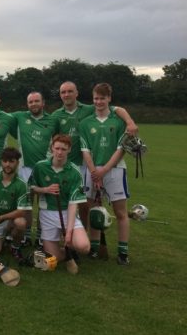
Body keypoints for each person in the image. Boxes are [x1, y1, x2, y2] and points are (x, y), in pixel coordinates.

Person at [52, 81, 137, 227]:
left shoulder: (89, 108)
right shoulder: (56, 115)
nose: (66, 94)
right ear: (60, 95)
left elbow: (117, 109)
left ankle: (86, 237)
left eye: (70, 91)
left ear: (77, 93)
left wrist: (130, 122)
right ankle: (67, 236)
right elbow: (54, 141)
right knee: (65, 204)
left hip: (86, 164)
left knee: (86, 206)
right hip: (67, 166)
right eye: (63, 92)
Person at [80, 83, 131, 265]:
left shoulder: (118, 121)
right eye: (95, 98)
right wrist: (95, 172)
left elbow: (121, 148)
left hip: (115, 170)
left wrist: (104, 170)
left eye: (102, 98)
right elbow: (85, 150)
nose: (99, 101)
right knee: (94, 210)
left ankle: (123, 252)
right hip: (92, 170)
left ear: (109, 98)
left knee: (120, 212)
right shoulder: (85, 123)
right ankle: (94, 249)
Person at [29, 134, 90, 262]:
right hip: (47, 214)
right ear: (52, 148)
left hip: (67, 213)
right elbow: (32, 187)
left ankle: (72, 247)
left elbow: (73, 204)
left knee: (84, 247)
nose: (59, 152)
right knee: (54, 258)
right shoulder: (40, 167)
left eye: (63, 149)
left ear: (69, 150)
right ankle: (66, 253)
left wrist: (68, 233)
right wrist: (45, 190)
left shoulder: (74, 172)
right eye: (57, 148)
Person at [11, 91, 56, 245]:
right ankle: (27, 235)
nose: (34, 104)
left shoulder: (53, 120)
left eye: (37, 101)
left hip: (46, 169)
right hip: (25, 168)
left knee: (44, 204)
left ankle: (41, 236)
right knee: (27, 204)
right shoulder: (20, 116)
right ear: (27, 104)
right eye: (30, 102)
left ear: (43, 102)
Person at [0, 147, 31, 261]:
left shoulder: (22, 184)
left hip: (10, 221)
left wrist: (1, 217)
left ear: (17, 163)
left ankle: (15, 246)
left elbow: (21, 211)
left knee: (21, 222)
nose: (8, 164)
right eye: (5, 161)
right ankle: (1, 241)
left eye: (11, 161)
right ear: (1, 161)